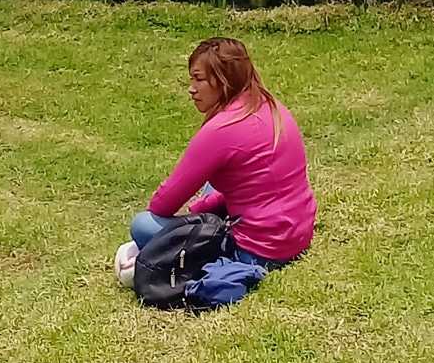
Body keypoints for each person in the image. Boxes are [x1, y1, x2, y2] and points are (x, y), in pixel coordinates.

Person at [121, 38, 316, 307]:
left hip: (258, 250)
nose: (191, 89)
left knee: (143, 225)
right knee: (215, 187)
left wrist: (188, 217)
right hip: (298, 233)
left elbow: (164, 202)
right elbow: (255, 186)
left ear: (224, 80)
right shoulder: (274, 108)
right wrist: (202, 208)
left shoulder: (221, 130)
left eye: (199, 79)